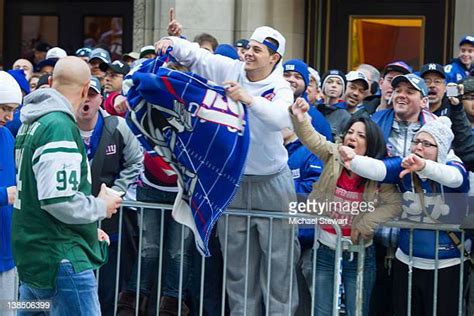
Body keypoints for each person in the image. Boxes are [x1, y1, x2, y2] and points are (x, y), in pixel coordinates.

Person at [155, 25, 300, 315]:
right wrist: (172, 42)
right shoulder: (231, 68)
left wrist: (249, 99)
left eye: (258, 50)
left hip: (273, 182)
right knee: (238, 266)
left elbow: (281, 119)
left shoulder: (281, 86)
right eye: (248, 47)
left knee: (279, 265)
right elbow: (197, 57)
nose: (249, 53)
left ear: (274, 58)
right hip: (233, 181)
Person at [12, 56, 122, 315]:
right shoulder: (59, 126)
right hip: (61, 258)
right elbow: (58, 200)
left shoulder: (31, 124)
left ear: (51, 82)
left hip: (34, 253)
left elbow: (43, 194)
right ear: (85, 90)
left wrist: (86, 228)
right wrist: (100, 207)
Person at [341, 116, 469, 316]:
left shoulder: (453, 166)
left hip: (447, 266)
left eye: (427, 144)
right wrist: (353, 160)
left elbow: (455, 179)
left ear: (441, 149)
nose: (418, 147)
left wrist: (425, 166)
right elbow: (379, 169)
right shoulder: (406, 166)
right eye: (416, 141)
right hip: (407, 263)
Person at [290, 99, 400, 316]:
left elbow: (395, 204)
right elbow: (313, 139)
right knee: (322, 311)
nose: (352, 137)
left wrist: (365, 222)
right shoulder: (334, 155)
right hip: (324, 248)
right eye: (351, 132)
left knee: (356, 311)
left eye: (361, 135)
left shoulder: (378, 172)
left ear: (371, 143)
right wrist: (300, 119)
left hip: (360, 252)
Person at [75, 76, 143, 316]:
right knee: (73, 288)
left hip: (108, 222)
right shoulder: (61, 127)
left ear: (100, 100)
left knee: (107, 287)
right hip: (71, 223)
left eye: (92, 94)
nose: (87, 100)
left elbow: (136, 160)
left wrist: (116, 191)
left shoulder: (115, 126)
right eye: (83, 93)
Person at [0, 71, 22, 316]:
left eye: (14, 109)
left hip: (7, 249)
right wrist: (4, 195)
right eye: (5, 108)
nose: (10, 116)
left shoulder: (7, 135)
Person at [317, 69, 351, 137]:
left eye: (339, 83)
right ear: (322, 86)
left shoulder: (345, 116)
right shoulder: (314, 109)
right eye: (329, 82)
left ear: (343, 89)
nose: (334, 86)